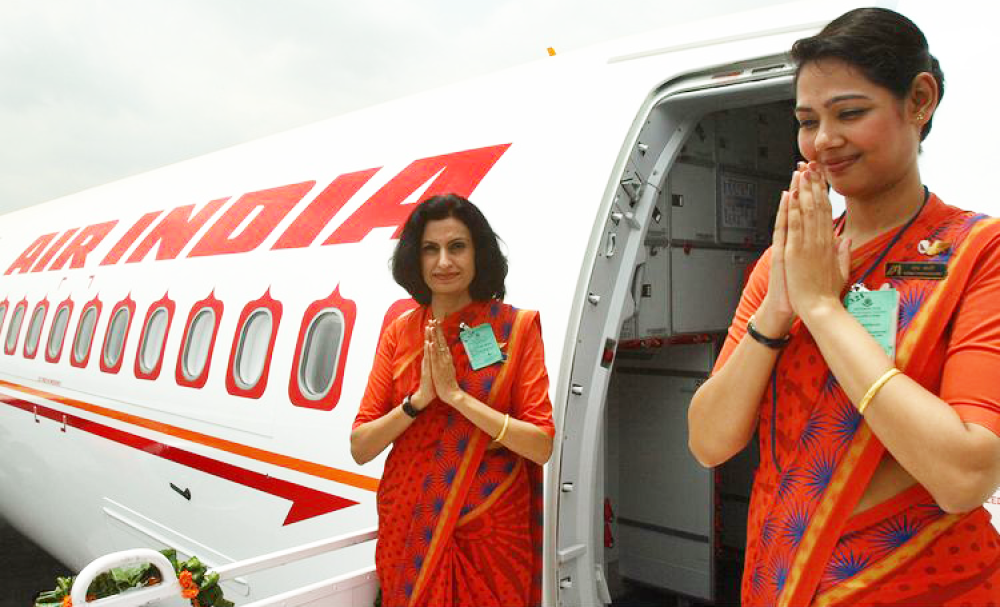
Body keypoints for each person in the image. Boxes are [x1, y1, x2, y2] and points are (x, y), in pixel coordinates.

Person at [688, 8, 1000, 606]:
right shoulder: (785, 260)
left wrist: (822, 309)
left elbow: (965, 476)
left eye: (850, 113)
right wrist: (777, 312)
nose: (824, 140)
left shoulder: (977, 254)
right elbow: (709, 441)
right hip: (781, 575)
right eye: (808, 121)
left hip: (921, 583)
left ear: (919, 100)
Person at [350, 194, 554, 607]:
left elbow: (540, 445)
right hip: (410, 528)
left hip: (490, 535)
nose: (444, 262)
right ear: (416, 258)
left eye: (457, 246)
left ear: (478, 253)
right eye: (431, 249)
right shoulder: (400, 334)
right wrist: (418, 400)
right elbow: (361, 447)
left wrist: (458, 398)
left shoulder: (514, 330)